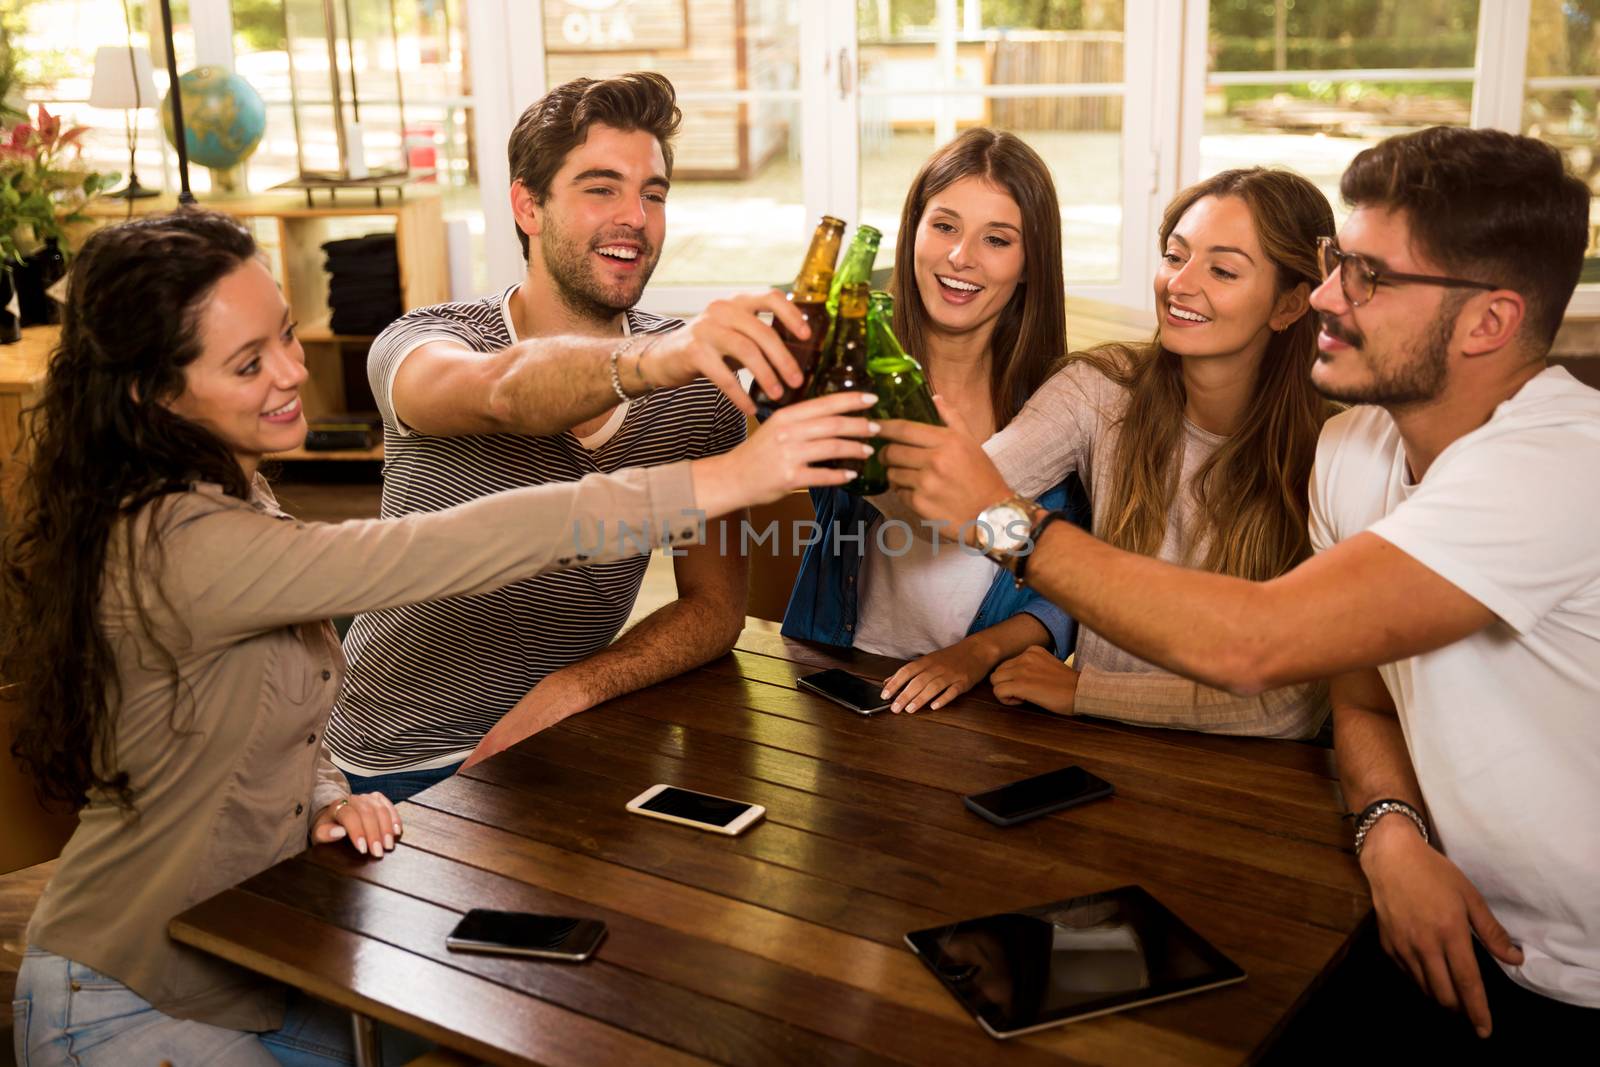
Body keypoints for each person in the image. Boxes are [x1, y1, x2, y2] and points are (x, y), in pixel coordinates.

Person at [1, 211, 875, 1066]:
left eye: (283, 336)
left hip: (250, 955)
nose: (292, 373)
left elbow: (262, 697)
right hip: (126, 994)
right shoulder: (174, 540)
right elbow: (444, 548)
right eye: (247, 362)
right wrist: (732, 476)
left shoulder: (227, 488)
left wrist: (323, 794)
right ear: (153, 394)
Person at [878, 126, 1599, 1050]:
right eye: (1339, 262)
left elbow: (1255, 647)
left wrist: (1003, 526)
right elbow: (1359, 690)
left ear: (1488, 321)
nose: (1329, 294)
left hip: (1565, 975)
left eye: (1368, 276)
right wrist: (1390, 828)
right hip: (1407, 907)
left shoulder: (1560, 464)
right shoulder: (1355, 451)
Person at [325, 72, 822, 800]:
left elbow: (714, 609)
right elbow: (503, 394)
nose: (635, 217)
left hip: (565, 741)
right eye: (601, 188)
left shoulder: (694, 392)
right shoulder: (427, 342)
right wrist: (661, 357)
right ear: (528, 205)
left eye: (653, 194)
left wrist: (576, 687)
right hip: (395, 760)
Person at [926, 166, 1336, 738]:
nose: (1180, 284)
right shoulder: (1102, 390)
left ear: (1290, 306)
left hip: (1255, 782)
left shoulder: (1334, 451)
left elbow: (1290, 707)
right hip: (1099, 754)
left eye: (1222, 270)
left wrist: (1086, 692)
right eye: (1175, 256)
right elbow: (950, 513)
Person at [782, 128, 1089, 706]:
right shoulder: (852, 373)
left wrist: (978, 652)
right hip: (842, 680)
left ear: (1029, 264)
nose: (960, 257)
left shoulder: (1061, 409)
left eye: (996, 239)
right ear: (914, 231)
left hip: (984, 701)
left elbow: (1070, 588)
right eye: (944, 226)